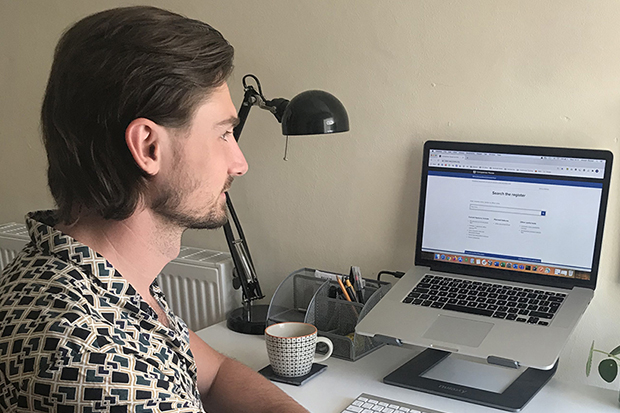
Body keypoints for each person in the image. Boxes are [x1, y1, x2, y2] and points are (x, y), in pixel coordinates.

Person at [0, 6, 308, 412]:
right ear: (148, 147)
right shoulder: (93, 363)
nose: (240, 162)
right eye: (224, 134)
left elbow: (214, 375)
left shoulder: (90, 274)